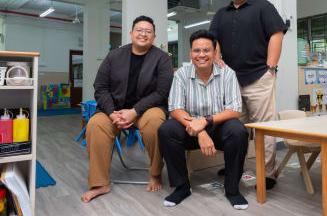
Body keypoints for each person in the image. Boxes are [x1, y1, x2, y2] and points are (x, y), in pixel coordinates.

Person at [81, 15, 174, 202]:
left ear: (154, 37)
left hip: (148, 110)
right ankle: (100, 183)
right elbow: (100, 87)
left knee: (155, 123)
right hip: (114, 110)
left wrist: (134, 111)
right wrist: (111, 112)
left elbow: (162, 92)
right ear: (131, 33)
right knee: (95, 125)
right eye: (139, 30)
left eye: (148, 31)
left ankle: (155, 172)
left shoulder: (162, 58)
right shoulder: (114, 56)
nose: (143, 34)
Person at [209, 0, 288, 190]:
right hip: (231, 81)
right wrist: (217, 59)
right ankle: (235, 167)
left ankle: (268, 173)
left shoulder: (263, 6)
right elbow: (212, 39)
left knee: (264, 128)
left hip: (259, 77)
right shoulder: (220, 14)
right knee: (235, 128)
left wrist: (270, 67)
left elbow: (277, 34)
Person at [158, 30, 249, 210]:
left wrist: (205, 122)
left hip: (218, 128)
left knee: (238, 131)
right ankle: (182, 187)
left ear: (216, 53)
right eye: (196, 51)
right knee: (166, 130)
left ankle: (232, 190)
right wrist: (199, 130)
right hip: (190, 129)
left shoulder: (227, 74)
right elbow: (175, 109)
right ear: (190, 53)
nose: (201, 55)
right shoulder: (181, 74)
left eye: (206, 50)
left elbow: (234, 110)